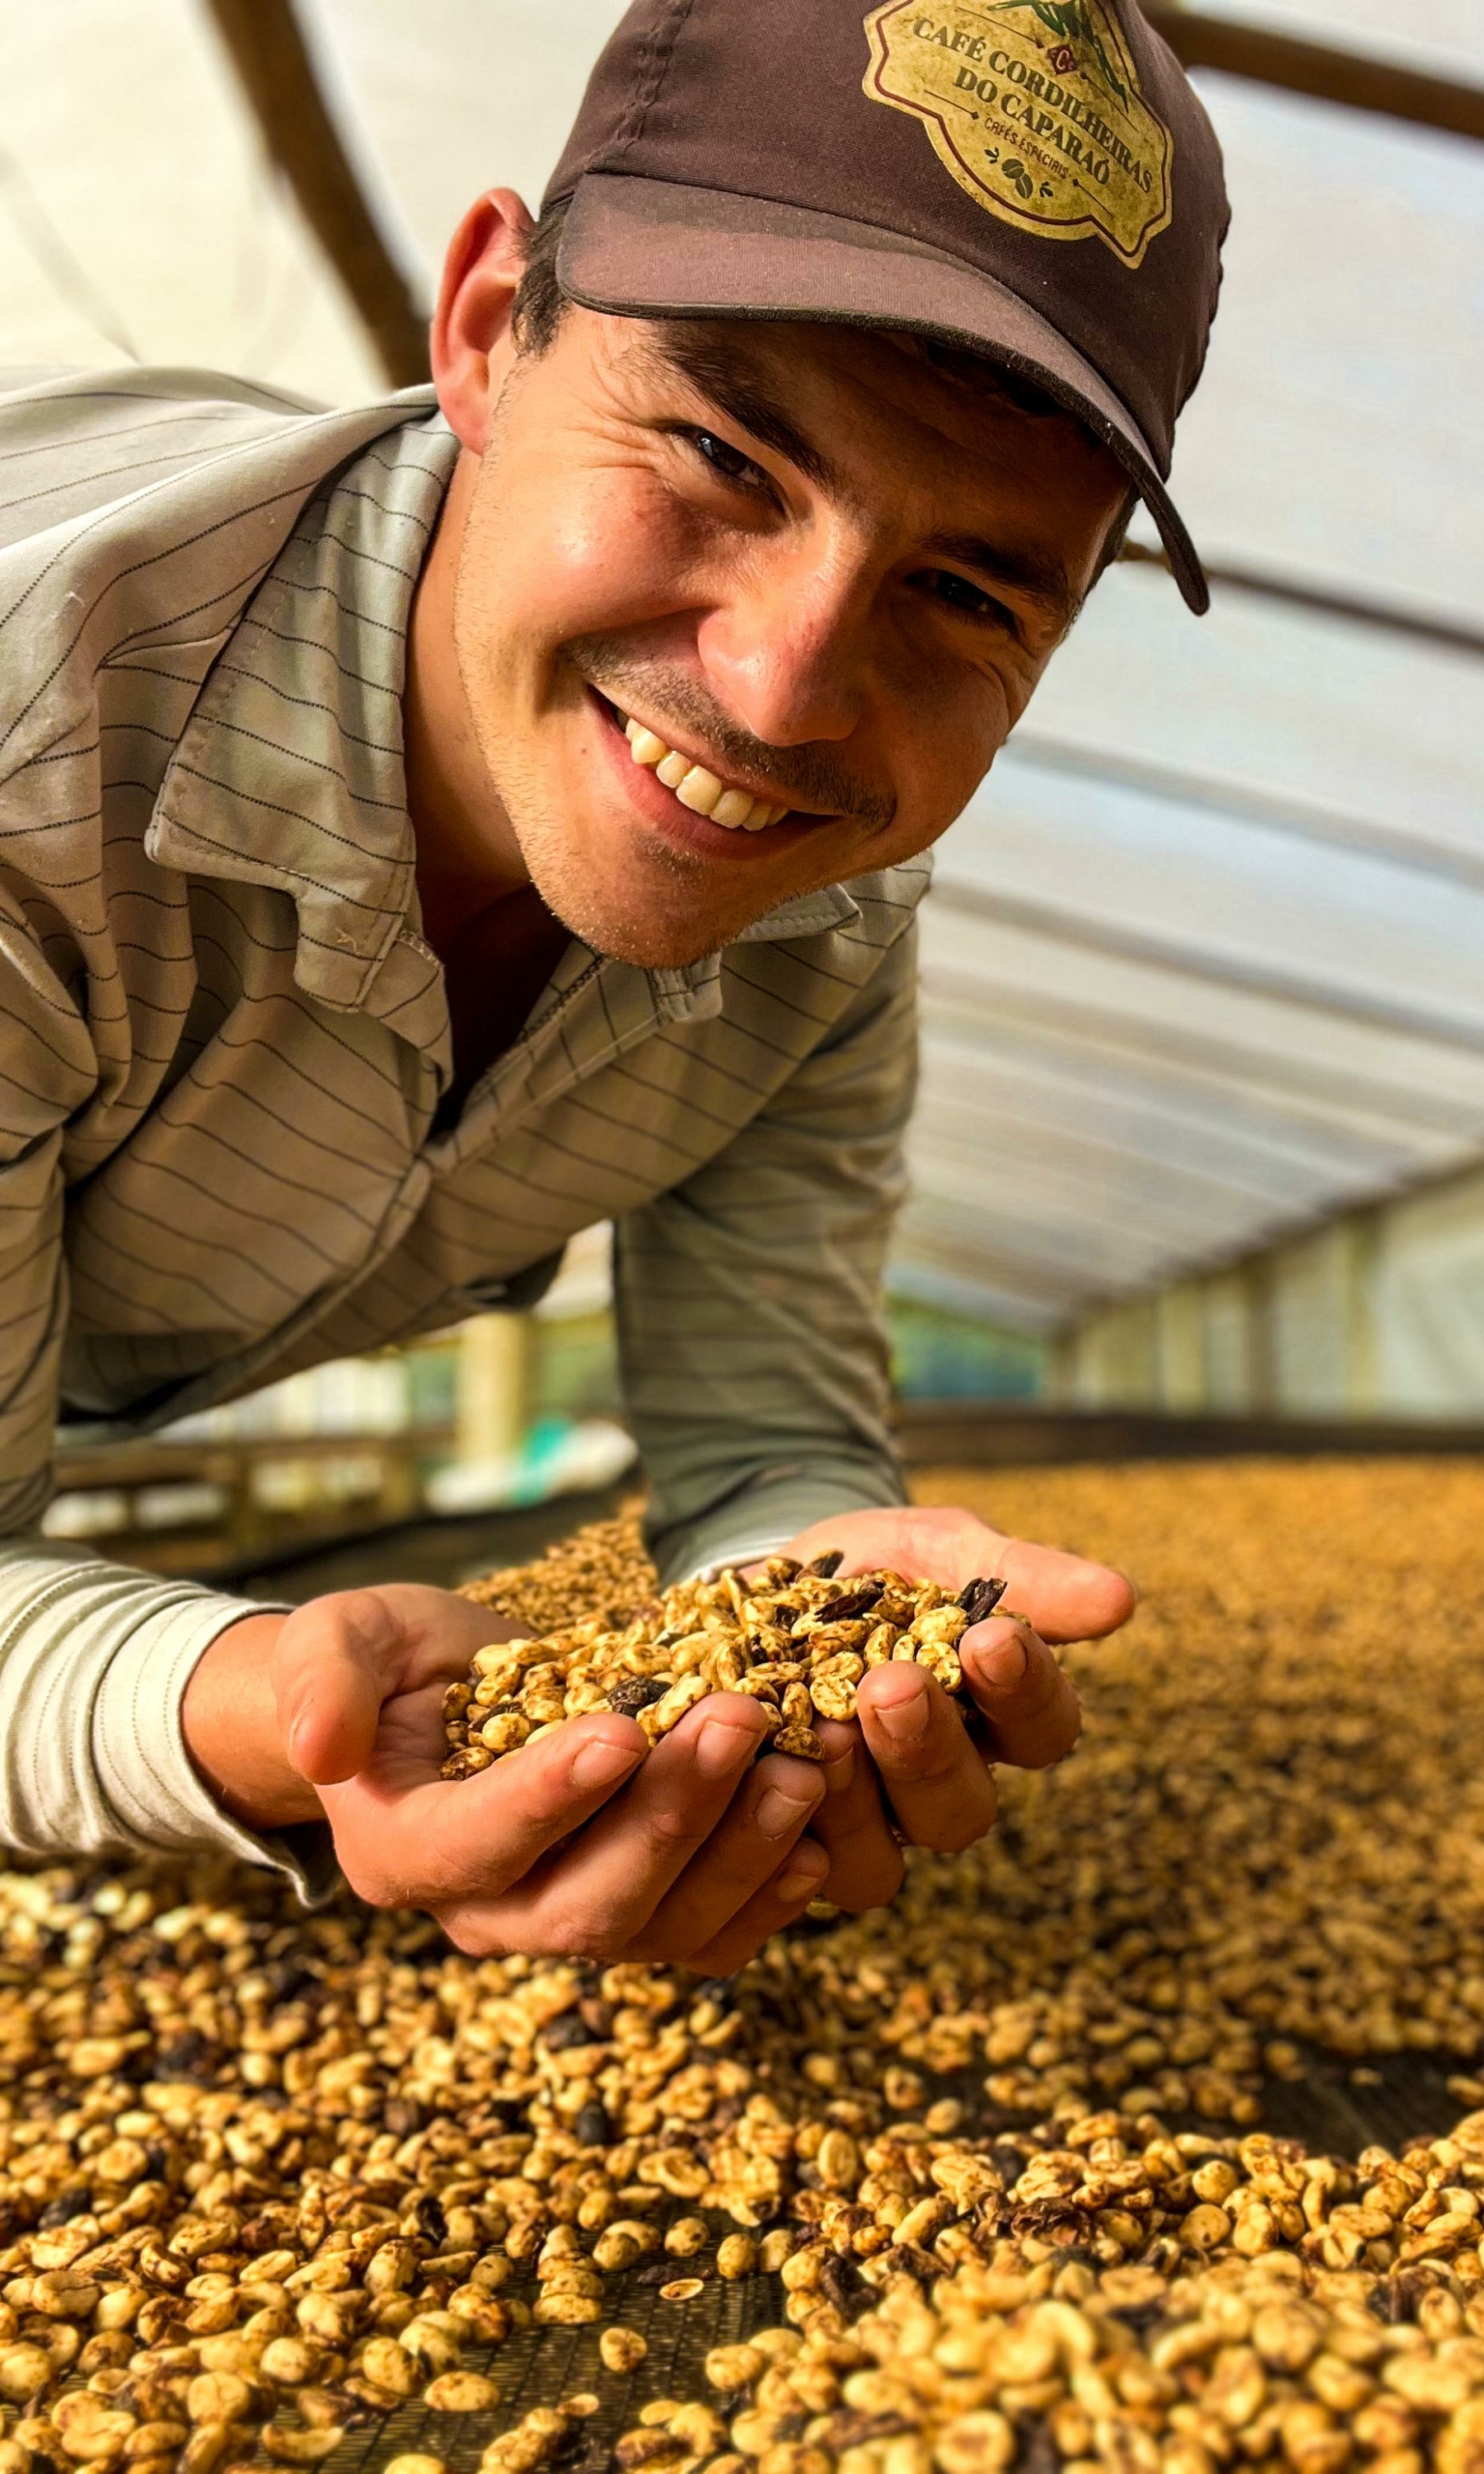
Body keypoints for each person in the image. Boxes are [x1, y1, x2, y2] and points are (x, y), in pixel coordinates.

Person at [0, 0, 1226, 1971]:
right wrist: (242, 1703)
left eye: (969, 592)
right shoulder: (37, 763)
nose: (785, 692)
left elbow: (763, 1453)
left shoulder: (821, 921)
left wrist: (796, 1640)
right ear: (486, 325)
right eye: (724, 454)